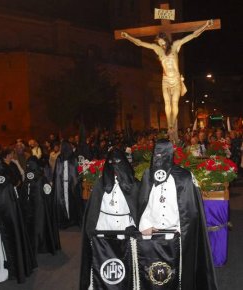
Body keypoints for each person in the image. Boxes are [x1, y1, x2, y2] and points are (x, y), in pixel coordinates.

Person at [138, 139, 218, 289]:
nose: (159, 157)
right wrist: (145, 224)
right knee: (154, 273)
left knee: (178, 273)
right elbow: (144, 204)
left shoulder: (184, 177)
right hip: (153, 234)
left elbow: (191, 210)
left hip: (177, 234)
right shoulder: (148, 176)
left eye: (163, 154)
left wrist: (183, 231)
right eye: (157, 154)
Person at [121, 20, 214, 134]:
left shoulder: (175, 46)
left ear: (165, 39)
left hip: (175, 80)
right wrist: (128, 37)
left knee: (174, 102)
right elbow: (140, 43)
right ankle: (169, 124)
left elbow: (193, 35)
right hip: (165, 80)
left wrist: (205, 26)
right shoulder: (158, 49)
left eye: (162, 42)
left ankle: (172, 122)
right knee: (167, 103)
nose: (161, 45)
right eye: (159, 43)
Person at [79, 148, 140, 290]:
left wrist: (137, 226)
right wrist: (94, 233)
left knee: (127, 265)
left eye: (118, 162)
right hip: (105, 231)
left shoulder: (134, 184)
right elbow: (94, 212)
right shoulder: (100, 185)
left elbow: (139, 209)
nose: (115, 165)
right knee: (106, 266)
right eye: (111, 162)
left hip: (126, 228)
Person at [0, 154, 37, 283]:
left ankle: (10, 269)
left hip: (1, 222)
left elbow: (7, 205)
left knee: (6, 246)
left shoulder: (3, 183)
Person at [20, 156, 61, 257]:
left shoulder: (26, 178)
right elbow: (48, 193)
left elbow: (22, 194)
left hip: (28, 209)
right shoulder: (41, 178)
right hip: (40, 208)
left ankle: (31, 245)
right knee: (41, 224)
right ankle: (42, 245)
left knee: (30, 225)